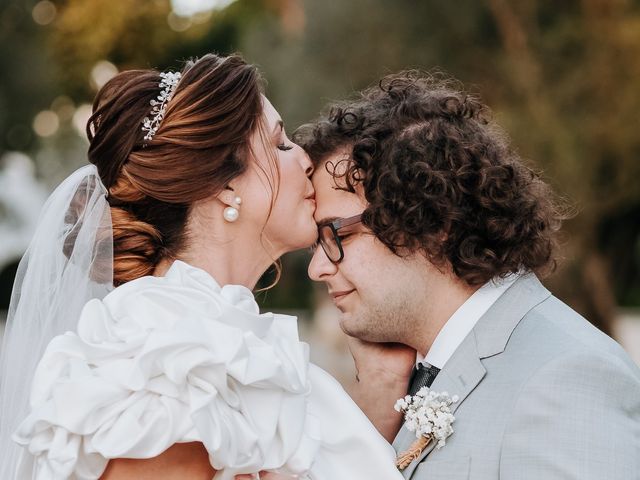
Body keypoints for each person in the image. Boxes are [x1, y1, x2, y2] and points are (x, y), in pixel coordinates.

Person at [0, 54, 406, 480]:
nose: (305, 159)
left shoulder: (231, 353)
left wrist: (371, 414)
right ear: (225, 184)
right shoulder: (168, 370)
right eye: (279, 144)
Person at [295, 71, 640, 479]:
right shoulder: (407, 376)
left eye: (335, 234)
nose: (318, 268)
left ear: (430, 219)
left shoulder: (565, 378)